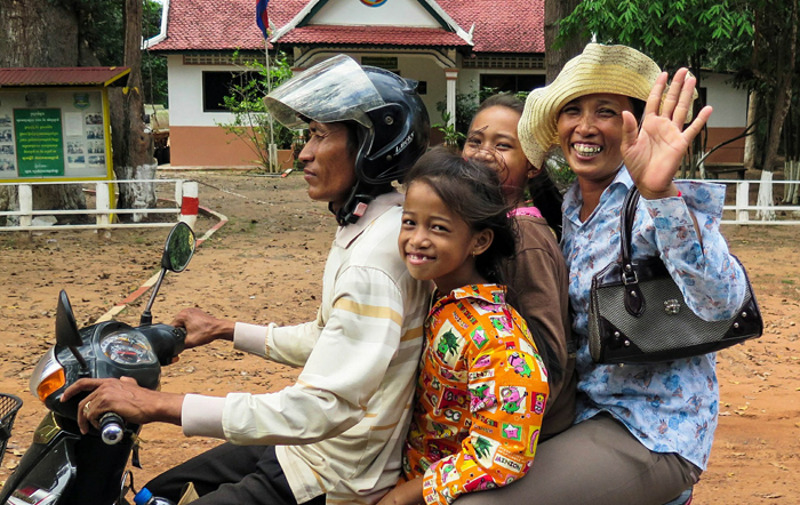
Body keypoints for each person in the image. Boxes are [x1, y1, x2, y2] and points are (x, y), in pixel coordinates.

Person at [62, 54, 432, 505]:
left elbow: (321, 407)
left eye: (318, 135)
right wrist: (224, 330)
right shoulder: (371, 224)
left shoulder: (373, 263)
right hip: (305, 449)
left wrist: (159, 405)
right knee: (158, 492)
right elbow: (327, 339)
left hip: (332, 476)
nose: (304, 153)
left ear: (374, 144)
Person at [456, 43, 748, 505]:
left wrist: (661, 194)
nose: (585, 126)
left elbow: (722, 302)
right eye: (572, 111)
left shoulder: (654, 202)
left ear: (634, 124)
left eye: (606, 112)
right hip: (579, 414)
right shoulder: (569, 207)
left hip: (648, 427)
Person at [378, 147, 549, 505]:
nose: (417, 239)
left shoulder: (496, 337)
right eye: (410, 222)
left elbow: (505, 452)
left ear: (480, 241)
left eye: (438, 228)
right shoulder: (432, 295)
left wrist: (405, 496)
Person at [462, 94, 574, 439]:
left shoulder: (524, 237)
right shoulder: (482, 228)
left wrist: (511, 432)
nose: (483, 153)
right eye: (475, 141)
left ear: (533, 164)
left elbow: (550, 352)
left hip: (524, 427)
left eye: (503, 145)